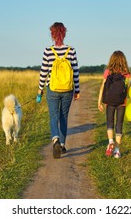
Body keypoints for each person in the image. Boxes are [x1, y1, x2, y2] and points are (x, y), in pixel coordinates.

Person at [37, 22, 80, 159]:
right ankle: (62, 145)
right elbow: (75, 72)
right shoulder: (71, 50)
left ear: (52, 34)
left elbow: (43, 72)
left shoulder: (48, 51)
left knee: (53, 116)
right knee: (63, 117)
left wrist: (40, 90)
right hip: (67, 89)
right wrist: (77, 90)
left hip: (52, 88)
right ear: (64, 33)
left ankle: (55, 139)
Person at [98, 51, 131, 159]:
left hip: (109, 102)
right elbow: (127, 90)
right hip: (122, 102)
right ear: (123, 60)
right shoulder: (126, 73)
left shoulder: (108, 71)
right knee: (119, 124)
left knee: (110, 122)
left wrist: (99, 101)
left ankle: (110, 141)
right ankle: (117, 151)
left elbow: (103, 87)